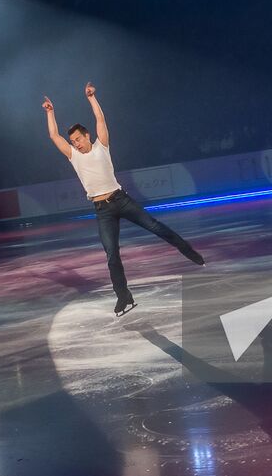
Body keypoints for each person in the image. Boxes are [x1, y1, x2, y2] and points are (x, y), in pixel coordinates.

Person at [43, 82, 204, 316]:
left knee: (155, 226)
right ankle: (124, 297)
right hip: (102, 210)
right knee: (111, 254)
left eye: (78, 138)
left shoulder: (101, 147)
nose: (75, 143)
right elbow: (53, 135)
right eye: (73, 141)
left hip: (122, 200)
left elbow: (100, 119)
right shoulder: (73, 156)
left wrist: (91, 98)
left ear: (87, 136)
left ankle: (189, 251)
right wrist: (50, 112)